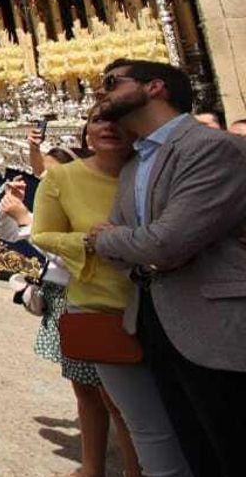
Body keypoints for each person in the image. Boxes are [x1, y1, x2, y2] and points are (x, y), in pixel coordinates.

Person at [89, 59, 246, 477]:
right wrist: (126, 243)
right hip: (156, 322)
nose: (101, 92)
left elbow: (167, 242)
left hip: (214, 325)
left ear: (155, 87)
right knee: (195, 448)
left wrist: (104, 238)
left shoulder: (213, 149)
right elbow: (132, 244)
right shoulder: (135, 163)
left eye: (111, 83)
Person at [28, 114, 187, 477]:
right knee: (136, 416)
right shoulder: (63, 177)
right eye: (98, 120)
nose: (108, 127)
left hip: (173, 305)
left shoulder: (156, 171)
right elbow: (43, 235)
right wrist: (90, 241)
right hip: (103, 306)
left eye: (119, 120)